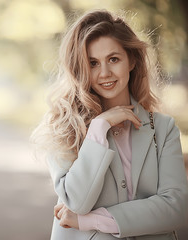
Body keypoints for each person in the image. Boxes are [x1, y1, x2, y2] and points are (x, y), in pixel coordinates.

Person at [30, 9, 188, 239]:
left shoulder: (163, 129)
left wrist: (90, 220)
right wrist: (98, 128)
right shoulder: (63, 127)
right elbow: (77, 201)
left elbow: (177, 209)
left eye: (113, 59)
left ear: (131, 60)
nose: (104, 73)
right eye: (93, 63)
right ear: (80, 68)